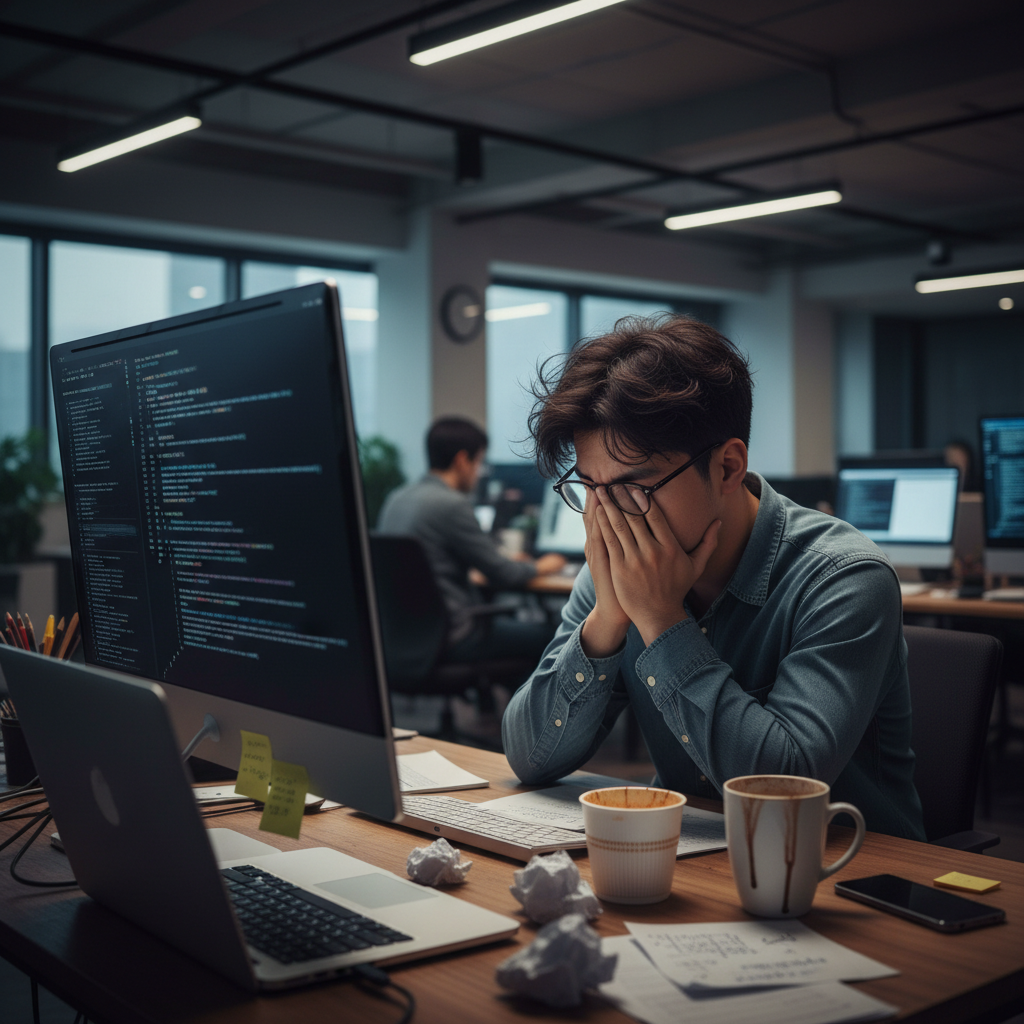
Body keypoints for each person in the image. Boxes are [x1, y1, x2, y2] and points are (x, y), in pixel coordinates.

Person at [502, 315, 925, 840]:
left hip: (845, 876)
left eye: (635, 488)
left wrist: (660, 619)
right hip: (696, 859)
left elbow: (783, 786)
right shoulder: (615, 573)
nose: (609, 519)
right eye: (590, 488)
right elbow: (529, 757)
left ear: (727, 467)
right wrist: (609, 616)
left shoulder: (845, 578)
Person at [378, 417, 566, 663]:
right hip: (453, 636)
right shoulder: (451, 504)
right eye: (478, 463)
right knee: (550, 640)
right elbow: (504, 575)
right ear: (461, 461)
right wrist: (544, 565)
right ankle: (522, 702)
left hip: (401, 637)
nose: (479, 473)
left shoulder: (395, 499)